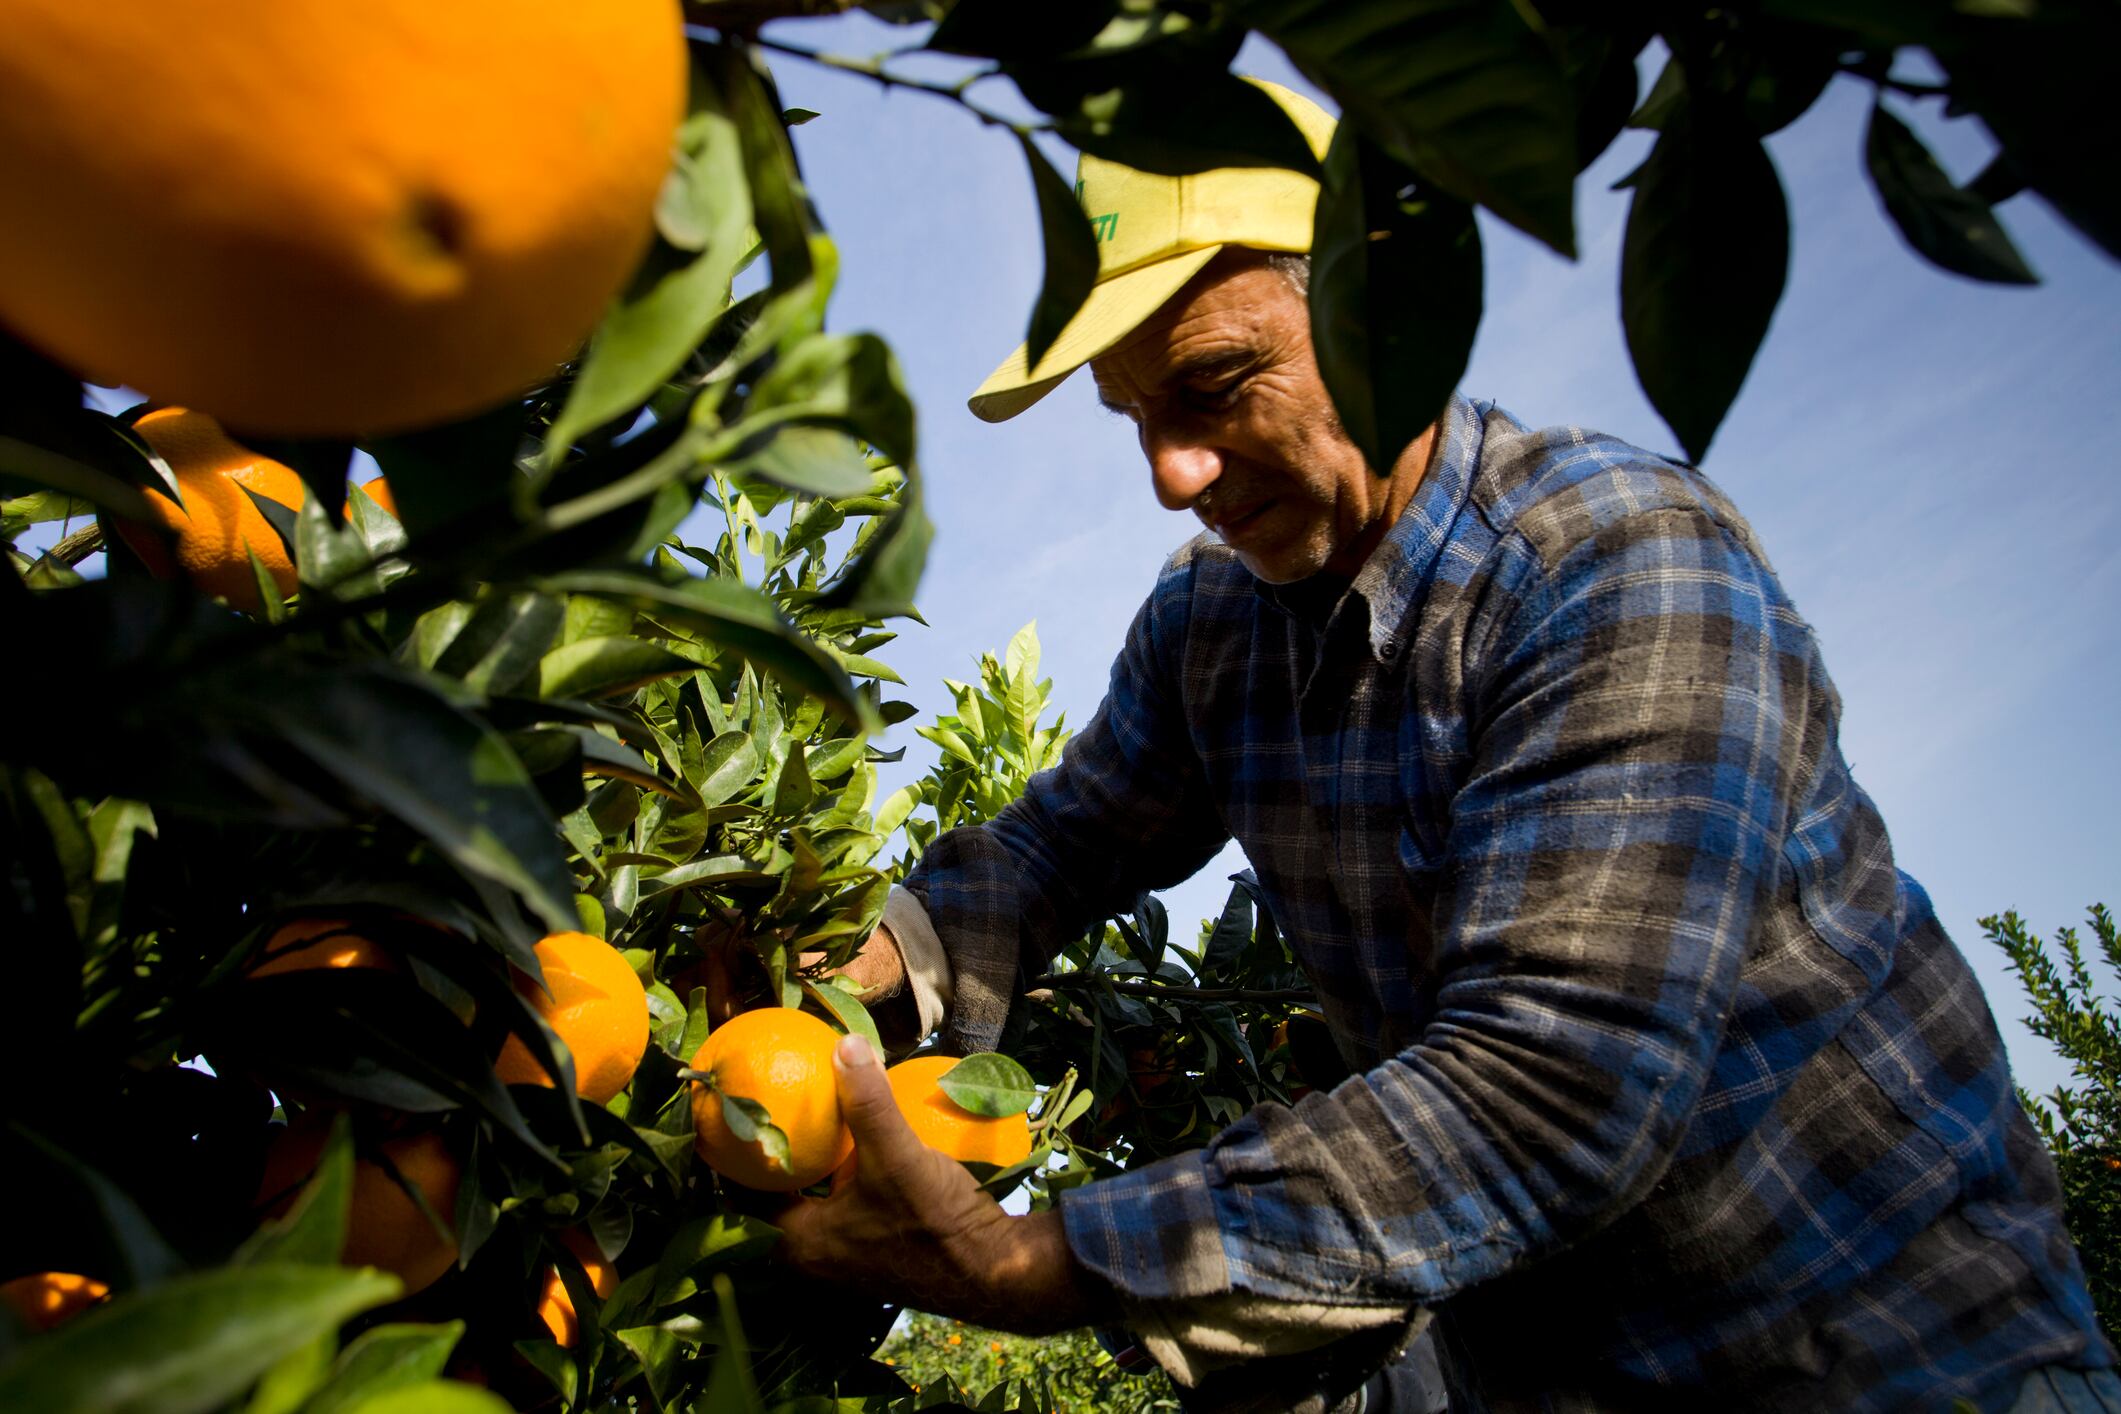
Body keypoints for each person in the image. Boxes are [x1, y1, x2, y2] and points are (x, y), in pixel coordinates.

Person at [775, 81, 2116, 1412]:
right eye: (1134, 417)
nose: (1170, 473)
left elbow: (1552, 1081)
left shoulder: (1616, 562)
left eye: (1214, 386)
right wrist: (860, 977)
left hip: (1891, 1359)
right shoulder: (1213, 627)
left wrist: (1028, 1256)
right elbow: (1050, 851)